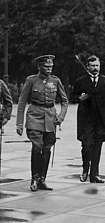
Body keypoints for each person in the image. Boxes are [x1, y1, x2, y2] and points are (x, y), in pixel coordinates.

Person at [16, 55, 69, 191]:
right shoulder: (31, 80)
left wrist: (61, 117)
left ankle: (42, 179)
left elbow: (64, 101)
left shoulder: (55, 81)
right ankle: (34, 178)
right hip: (35, 116)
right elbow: (22, 102)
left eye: (51, 66)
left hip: (50, 117)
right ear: (39, 67)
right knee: (36, 147)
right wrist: (19, 124)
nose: (49, 69)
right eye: (46, 67)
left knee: (46, 149)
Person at [71, 55, 105, 183]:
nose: (95, 68)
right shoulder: (80, 81)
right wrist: (81, 96)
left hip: (101, 119)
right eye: (93, 66)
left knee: (97, 146)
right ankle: (85, 169)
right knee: (86, 146)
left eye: (97, 65)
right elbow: (72, 97)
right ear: (88, 66)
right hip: (86, 120)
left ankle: (94, 173)